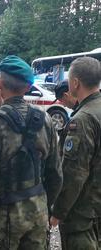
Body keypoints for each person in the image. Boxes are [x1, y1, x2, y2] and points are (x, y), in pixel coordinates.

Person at [0, 55, 63, 250]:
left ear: (1, 85)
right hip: (38, 213)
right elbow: (55, 173)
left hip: (3, 219)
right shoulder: (45, 119)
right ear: (28, 88)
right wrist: (45, 207)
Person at [50, 57, 101, 250]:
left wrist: (58, 211)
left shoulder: (83, 119)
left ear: (75, 82)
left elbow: (74, 173)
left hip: (83, 213)